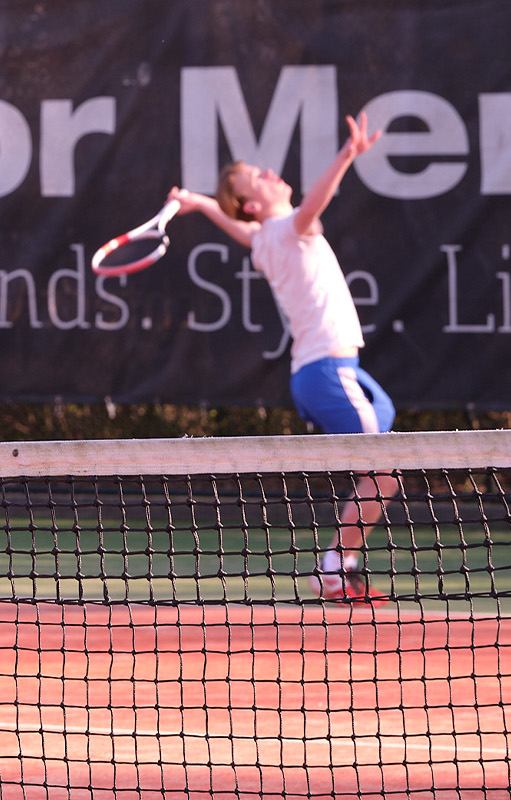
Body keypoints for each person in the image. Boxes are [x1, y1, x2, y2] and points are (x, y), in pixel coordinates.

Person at [166, 112, 401, 606]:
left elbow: (240, 229)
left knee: (382, 446)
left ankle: (341, 567)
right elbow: (316, 200)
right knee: (384, 474)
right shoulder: (292, 228)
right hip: (328, 371)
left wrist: (201, 204)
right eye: (259, 177)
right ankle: (335, 569)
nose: (272, 173)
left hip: (331, 373)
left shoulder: (263, 240)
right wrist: (347, 154)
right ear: (254, 202)